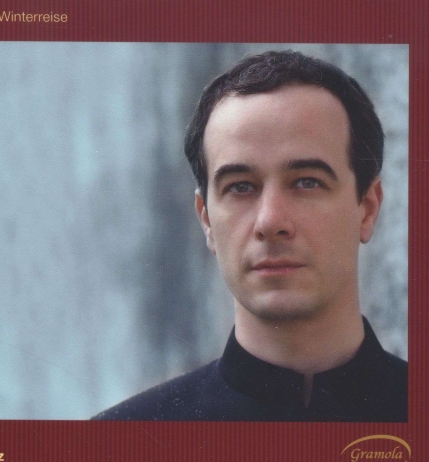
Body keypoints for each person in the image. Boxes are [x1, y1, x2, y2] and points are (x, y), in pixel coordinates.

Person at [93, 50, 407, 422]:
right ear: (207, 220)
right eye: (240, 186)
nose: (270, 221)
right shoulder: (122, 440)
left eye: (307, 182)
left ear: (367, 208)